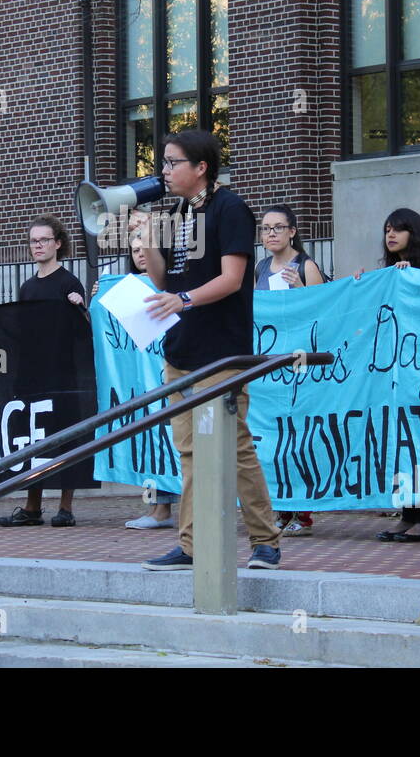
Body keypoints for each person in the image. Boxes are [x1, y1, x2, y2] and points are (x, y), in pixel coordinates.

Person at [137, 130, 283, 572]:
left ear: (201, 168)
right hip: (180, 351)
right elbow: (164, 280)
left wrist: (183, 301)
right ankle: (192, 545)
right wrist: (146, 241)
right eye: (162, 162)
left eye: (172, 162)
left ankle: (265, 541)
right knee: (189, 451)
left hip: (220, 353)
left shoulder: (230, 208)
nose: (164, 171)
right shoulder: (178, 211)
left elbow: (232, 278)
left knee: (233, 447)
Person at [0, 214, 89, 528]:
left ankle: (66, 507)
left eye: (44, 240)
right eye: (34, 241)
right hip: (31, 375)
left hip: (61, 373)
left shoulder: (69, 283)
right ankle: (32, 506)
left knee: (66, 436)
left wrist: (81, 306)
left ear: (58, 244)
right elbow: (19, 330)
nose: (38, 246)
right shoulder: (27, 287)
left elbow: (85, 332)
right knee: (33, 438)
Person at [366, 208, 420, 544]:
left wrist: (409, 277)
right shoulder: (388, 272)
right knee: (401, 446)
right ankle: (406, 514)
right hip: (395, 374)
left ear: (415, 233)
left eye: (399, 229)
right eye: (387, 229)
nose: (391, 235)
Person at [97, 231, 179, 530]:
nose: (140, 254)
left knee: (168, 441)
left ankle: (162, 510)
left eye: (144, 248)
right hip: (143, 380)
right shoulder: (126, 289)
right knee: (151, 440)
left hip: (168, 372)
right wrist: (100, 297)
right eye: (133, 250)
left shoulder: (170, 285)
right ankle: (156, 509)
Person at [255, 203, 325, 538]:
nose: (270, 234)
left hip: (299, 363)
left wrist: (300, 288)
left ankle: (304, 510)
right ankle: (280, 508)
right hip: (270, 365)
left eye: (278, 228)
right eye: (266, 228)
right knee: (273, 437)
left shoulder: (306, 265)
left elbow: (320, 312)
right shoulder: (260, 268)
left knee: (299, 436)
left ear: (292, 232)